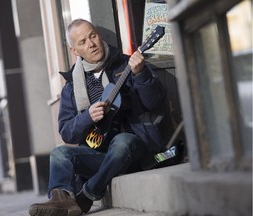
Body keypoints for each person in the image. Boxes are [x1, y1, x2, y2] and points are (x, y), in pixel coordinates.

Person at [29, 19, 166, 216]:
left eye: (92, 35)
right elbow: (67, 133)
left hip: (132, 148)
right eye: (82, 42)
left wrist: (141, 74)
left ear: (99, 36)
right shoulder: (71, 87)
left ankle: (88, 193)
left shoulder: (127, 64)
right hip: (99, 155)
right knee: (59, 153)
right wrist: (87, 117)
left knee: (122, 141)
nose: (91, 44)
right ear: (74, 51)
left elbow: (154, 102)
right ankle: (62, 200)